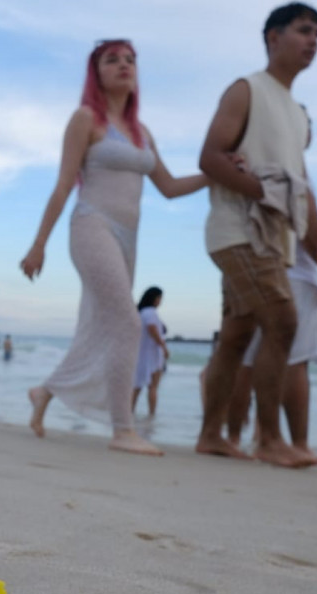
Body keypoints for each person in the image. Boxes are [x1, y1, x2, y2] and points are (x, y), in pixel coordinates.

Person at [20, 39, 216, 456]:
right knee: (127, 323)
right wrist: (39, 245)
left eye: (130, 59)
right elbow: (61, 186)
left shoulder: (142, 133)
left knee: (100, 325)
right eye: (113, 60)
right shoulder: (85, 119)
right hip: (91, 225)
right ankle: (122, 430)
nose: (124, 65)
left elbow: (168, 186)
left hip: (129, 238)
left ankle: (45, 392)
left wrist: (214, 175)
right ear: (97, 71)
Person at [194, 4, 317, 468]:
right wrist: (262, 192)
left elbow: (301, 191)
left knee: (238, 336)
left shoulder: (297, 114)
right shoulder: (246, 90)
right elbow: (210, 157)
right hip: (238, 232)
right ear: (273, 38)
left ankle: (212, 435)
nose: (313, 40)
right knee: (283, 321)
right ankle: (270, 440)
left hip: (272, 242)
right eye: (303, 30)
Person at [226, 235, 317, 463]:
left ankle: (233, 439)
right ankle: (295, 443)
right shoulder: (294, 197)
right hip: (291, 272)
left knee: (246, 359)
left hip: (248, 265)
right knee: (295, 360)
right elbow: (304, 219)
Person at [132, 287, 168, 417]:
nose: (160, 301)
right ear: (154, 298)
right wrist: (164, 347)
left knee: (137, 386)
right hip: (152, 354)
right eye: (159, 298)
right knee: (153, 387)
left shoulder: (140, 312)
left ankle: (130, 413)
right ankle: (152, 415)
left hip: (141, 353)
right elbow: (152, 329)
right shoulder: (151, 312)